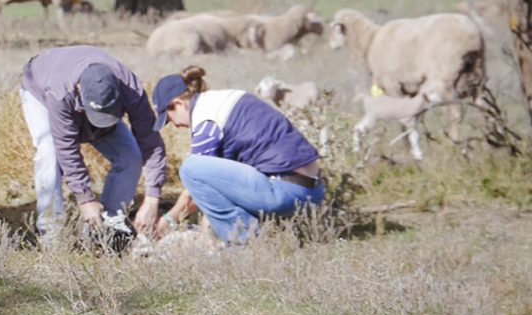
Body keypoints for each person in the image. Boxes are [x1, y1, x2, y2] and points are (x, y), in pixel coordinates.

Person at [152, 66, 324, 244]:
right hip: (314, 192)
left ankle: (242, 243)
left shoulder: (206, 121)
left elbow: (194, 193)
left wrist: (168, 221)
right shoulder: (226, 98)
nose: (173, 124)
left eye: (169, 117)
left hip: (285, 192)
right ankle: (269, 234)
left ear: (179, 103)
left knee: (190, 169)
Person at [20, 45, 167, 241]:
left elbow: (150, 140)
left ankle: (111, 225)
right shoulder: (59, 93)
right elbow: (67, 147)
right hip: (41, 90)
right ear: (80, 89)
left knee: (131, 155)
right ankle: (51, 232)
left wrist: (152, 198)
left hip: (87, 94)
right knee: (49, 152)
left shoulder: (131, 88)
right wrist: (85, 198)